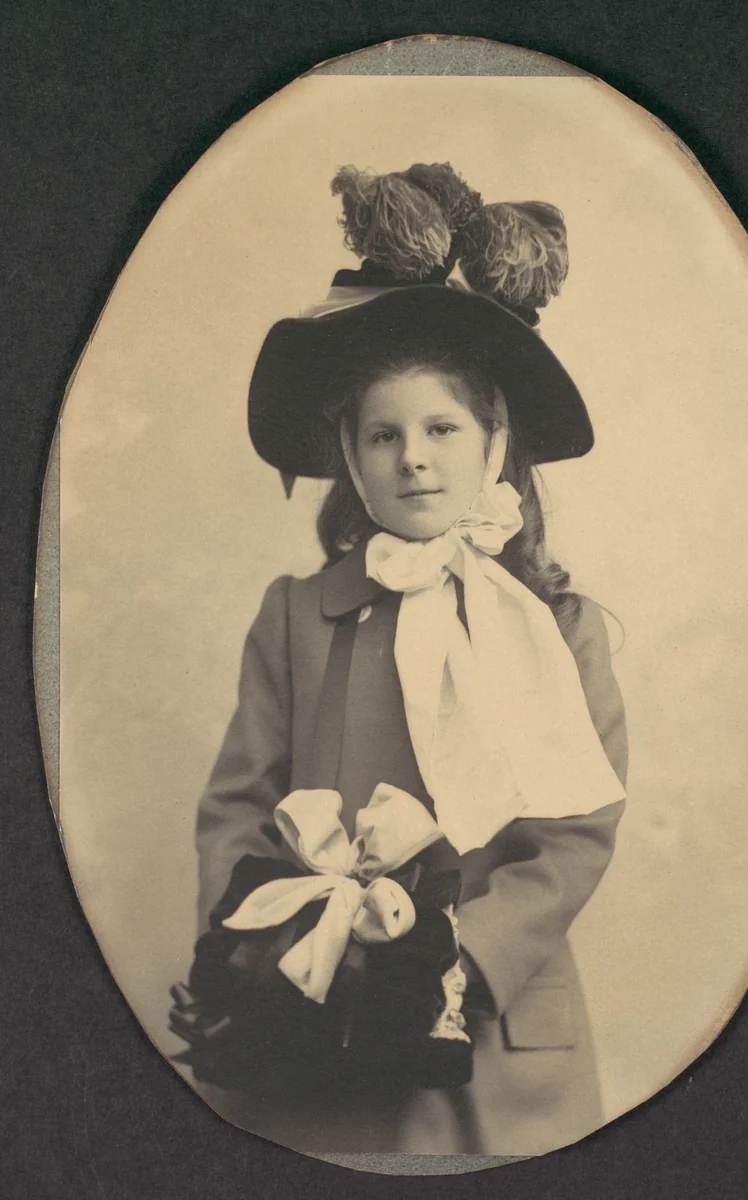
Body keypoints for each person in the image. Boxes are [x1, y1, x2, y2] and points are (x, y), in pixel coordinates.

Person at [171, 164, 628, 1158]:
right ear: (348, 453)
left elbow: (573, 838)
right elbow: (236, 807)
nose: (412, 457)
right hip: (318, 1012)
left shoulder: (556, 625)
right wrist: (258, 950)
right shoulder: (297, 617)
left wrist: (453, 963)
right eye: (382, 434)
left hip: (494, 1031)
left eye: (440, 429)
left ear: (494, 443)